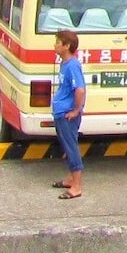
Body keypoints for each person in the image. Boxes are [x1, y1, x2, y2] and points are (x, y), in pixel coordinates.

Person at [50, 28, 87, 198]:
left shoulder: (72, 65)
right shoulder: (64, 64)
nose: (55, 45)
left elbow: (80, 90)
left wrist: (75, 111)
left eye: (58, 42)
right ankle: (70, 179)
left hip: (67, 114)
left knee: (71, 148)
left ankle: (77, 187)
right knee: (66, 146)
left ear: (67, 46)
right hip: (60, 112)